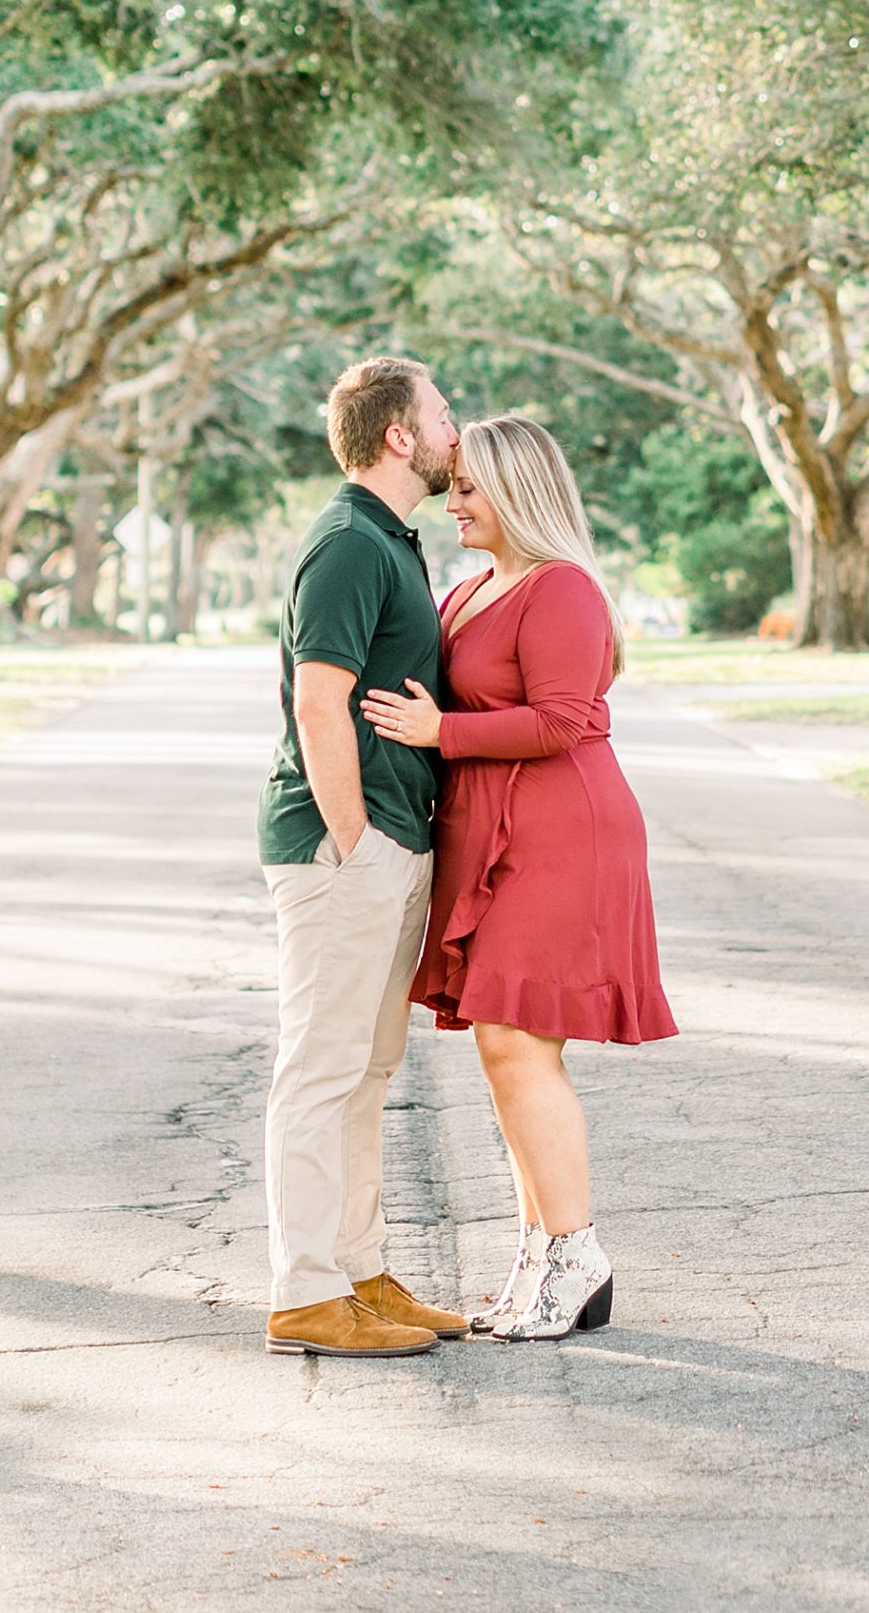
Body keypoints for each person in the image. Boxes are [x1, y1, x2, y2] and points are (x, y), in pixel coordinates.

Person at [362, 413, 677, 1342]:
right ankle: (541, 1254)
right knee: (505, 1047)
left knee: (515, 1041)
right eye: (451, 485)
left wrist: (441, 734)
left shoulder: (563, 590)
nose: (450, 502)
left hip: (561, 832)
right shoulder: (469, 593)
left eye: (467, 487)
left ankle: (575, 1252)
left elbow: (563, 719)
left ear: (518, 490)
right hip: (491, 831)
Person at [256, 355, 472, 1358]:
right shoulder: (347, 541)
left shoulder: (395, 538)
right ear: (398, 434)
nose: (452, 426)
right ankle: (306, 1289)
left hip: (389, 838)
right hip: (344, 847)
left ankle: (359, 1269)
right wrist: (355, 841)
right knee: (323, 1068)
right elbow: (317, 698)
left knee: (368, 1070)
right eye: (440, 411)